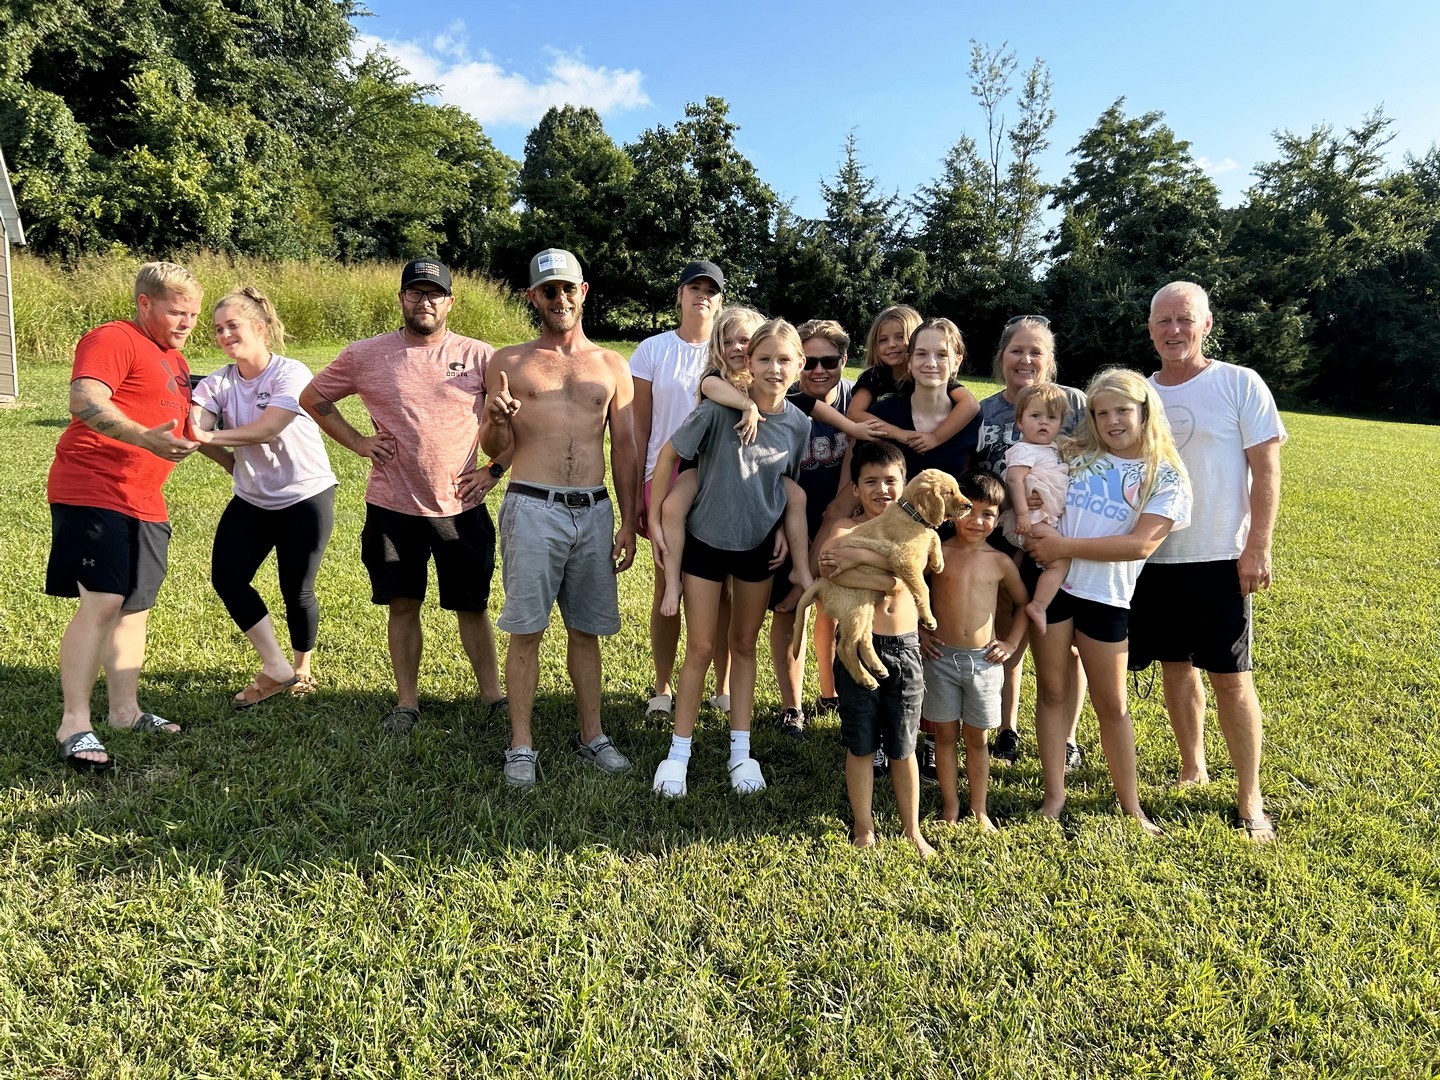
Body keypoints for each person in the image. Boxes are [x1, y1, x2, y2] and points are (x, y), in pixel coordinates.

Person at [299, 257, 506, 735]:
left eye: (435, 294)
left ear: (450, 302)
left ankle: (493, 696)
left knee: (472, 605)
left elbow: (513, 423)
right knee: (403, 602)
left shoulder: (480, 355)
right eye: (415, 292)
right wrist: (358, 442)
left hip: (461, 506)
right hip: (392, 507)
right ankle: (407, 703)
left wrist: (494, 469)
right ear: (401, 299)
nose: (425, 301)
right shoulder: (365, 355)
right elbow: (313, 398)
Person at [1129, 281, 1287, 843]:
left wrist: (1258, 545)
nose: (1174, 330)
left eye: (1184, 319)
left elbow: (1266, 471)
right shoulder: (1140, 393)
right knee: (1175, 667)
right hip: (1153, 557)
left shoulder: (1239, 383)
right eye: (1163, 320)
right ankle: (1191, 765)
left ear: (1207, 325)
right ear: (1151, 329)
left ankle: (1250, 797)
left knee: (1231, 677)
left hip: (1220, 556)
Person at [480, 248, 639, 787]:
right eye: (548, 290)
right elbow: (493, 444)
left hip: (593, 511)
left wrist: (630, 520)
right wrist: (496, 419)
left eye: (568, 288)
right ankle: (521, 745)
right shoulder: (508, 361)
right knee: (526, 629)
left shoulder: (613, 365)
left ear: (583, 291)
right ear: (534, 297)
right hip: (532, 506)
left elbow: (625, 449)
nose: (560, 298)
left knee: (586, 630)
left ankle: (592, 735)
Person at [47, 261, 203, 771]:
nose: (187, 323)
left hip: (146, 499)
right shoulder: (114, 338)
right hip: (93, 487)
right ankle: (73, 723)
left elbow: (185, 426)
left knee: (135, 606)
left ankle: (125, 711)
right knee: (104, 600)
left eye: (193, 314)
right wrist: (142, 437)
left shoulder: (175, 360)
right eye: (177, 312)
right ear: (144, 304)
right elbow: (84, 399)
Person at [1024, 368, 1192, 835]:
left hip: (1107, 597)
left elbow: (1140, 544)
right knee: (1052, 692)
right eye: (1101, 413)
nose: (1112, 421)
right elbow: (1039, 488)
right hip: (1055, 589)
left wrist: (1063, 546)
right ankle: (1054, 796)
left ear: (1145, 412)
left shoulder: (1165, 475)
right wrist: (1035, 506)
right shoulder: (1077, 456)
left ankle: (1131, 807)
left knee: (1112, 705)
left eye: (1122, 411)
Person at [651, 318, 811, 798]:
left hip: (757, 549)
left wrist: (781, 527)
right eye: (764, 359)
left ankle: (741, 752)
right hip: (705, 541)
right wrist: (656, 518)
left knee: (743, 645)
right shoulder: (719, 409)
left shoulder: (799, 424)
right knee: (700, 648)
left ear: (799, 365)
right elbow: (669, 455)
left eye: (784, 360)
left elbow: (783, 483)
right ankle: (678, 752)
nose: (774, 368)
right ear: (748, 362)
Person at [189, 287, 337, 706]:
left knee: (297, 589)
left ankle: (302, 668)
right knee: (228, 578)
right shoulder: (218, 381)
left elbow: (269, 427)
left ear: (259, 327)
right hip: (252, 498)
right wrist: (225, 459)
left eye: (232, 326)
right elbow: (197, 427)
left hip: (305, 494)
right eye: (218, 329)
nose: (224, 335)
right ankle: (276, 666)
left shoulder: (291, 373)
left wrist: (206, 436)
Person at [971, 316, 1088, 768]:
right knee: (1007, 632)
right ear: (1002, 356)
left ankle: (1068, 738)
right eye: (1016, 350)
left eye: (1036, 351)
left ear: (1050, 359)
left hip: (1066, 534)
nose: (1025, 359)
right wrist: (1013, 500)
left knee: (1067, 643)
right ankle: (1008, 728)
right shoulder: (983, 412)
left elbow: (1099, 461)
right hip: (1006, 535)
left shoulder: (1074, 404)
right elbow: (973, 478)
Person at [813, 441, 934, 858]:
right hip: (859, 649)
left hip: (905, 648)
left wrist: (861, 559)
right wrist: (890, 568)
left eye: (890, 481)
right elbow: (830, 566)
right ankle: (864, 826)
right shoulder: (844, 527)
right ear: (855, 488)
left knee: (904, 746)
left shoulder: (918, 531)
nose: (882, 489)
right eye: (871, 482)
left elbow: (908, 575)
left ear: (906, 485)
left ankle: (912, 829)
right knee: (861, 744)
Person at [768, 319, 886, 738]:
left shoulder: (857, 401)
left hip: (842, 515)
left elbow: (852, 489)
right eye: (811, 361)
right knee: (789, 609)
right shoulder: (785, 398)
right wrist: (783, 527)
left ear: (844, 360)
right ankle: (791, 706)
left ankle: (830, 692)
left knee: (836, 608)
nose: (819, 370)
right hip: (788, 519)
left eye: (829, 361)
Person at [631, 260, 726, 720]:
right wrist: (637, 490)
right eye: (694, 287)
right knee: (667, 586)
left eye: (711, 290)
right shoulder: (652, 350)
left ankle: (723, 687)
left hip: (720, 478)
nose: (702, 295)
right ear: (680, 296)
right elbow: (639, 427)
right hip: (662, 477)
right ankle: (663, 687)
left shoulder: (729, 350)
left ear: (720, 301)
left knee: (722, 589)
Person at [920, 471, 1030, 830]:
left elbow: (1023, 604)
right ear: (953, 509)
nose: (977, 521)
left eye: (988, 514)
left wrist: (1011, 642)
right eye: (969, 510)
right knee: (945, 736)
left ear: (999, 519)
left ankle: (979, 809)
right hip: (940, 659)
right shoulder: (937, 552)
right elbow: (910, 590)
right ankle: (951, 807)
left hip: (984, 663)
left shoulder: (1000, 562)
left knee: (978, 739)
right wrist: (921, 632)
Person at [847, 306, 978, 454]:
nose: (891, 344)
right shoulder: (873, 376)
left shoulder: (931, 377)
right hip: (873, 448)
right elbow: (854, 414)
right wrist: (897, 433)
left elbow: (970, 405)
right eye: (883, 340)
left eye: (900, 337)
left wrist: (936, 437)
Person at [1000, 382, 1074, 634]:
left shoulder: (1051, 448)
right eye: (1035, 416)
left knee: (1025, 559)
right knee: (1061, 561)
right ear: (1019, 423)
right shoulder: (1024, 449)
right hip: (1030, 520)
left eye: (1051, 417)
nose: (1044, 422)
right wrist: (1022, 514)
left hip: (1038, 519)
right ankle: (1039, 606)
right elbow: (1014, 480)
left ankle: (1014, 583)